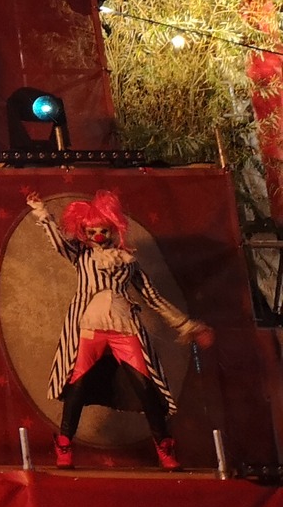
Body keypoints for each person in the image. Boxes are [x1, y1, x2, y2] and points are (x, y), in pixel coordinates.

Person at [24, 188, 212, 468]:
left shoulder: (128, 262)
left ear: (113, 229)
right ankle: (64, 445)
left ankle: (164, 449)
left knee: (145, 386)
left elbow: (152, 297)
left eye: (103, 230)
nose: (98, 236)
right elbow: (59, 244)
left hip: (124, 327)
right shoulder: (81, 256)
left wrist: (185, 325)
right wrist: (41, 211)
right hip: (89, 327)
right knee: (77, 384)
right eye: (92, 231)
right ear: (85, 233)